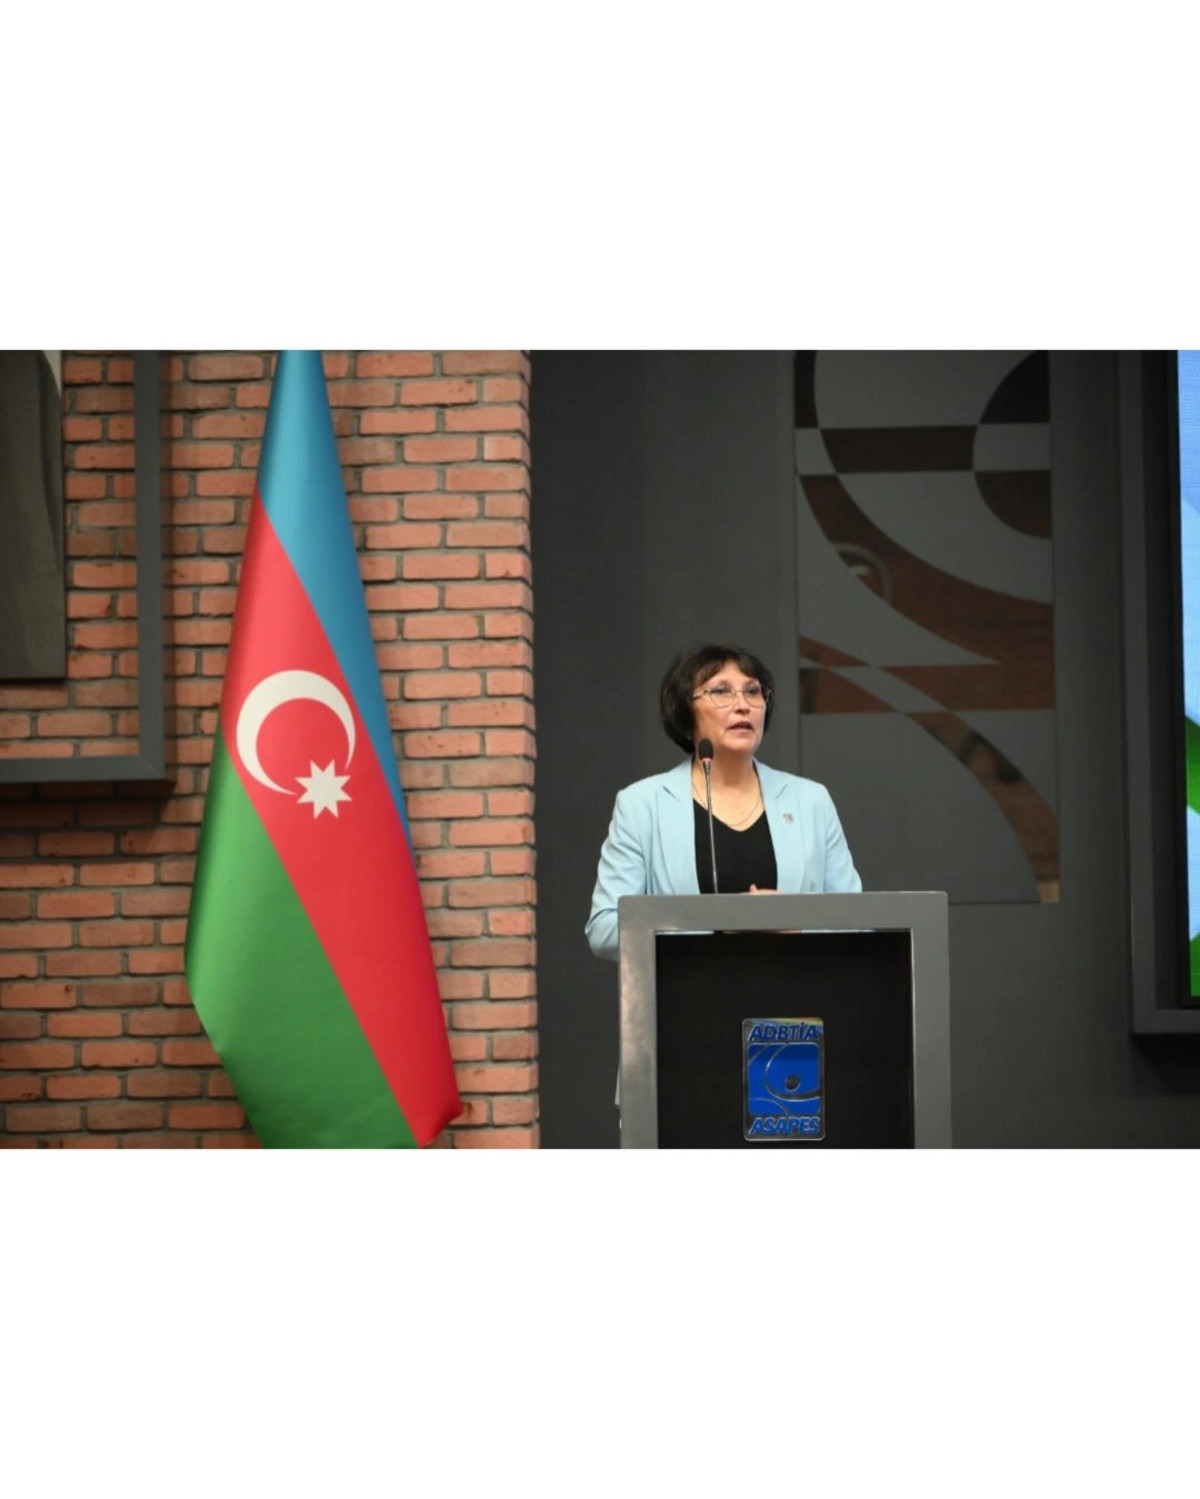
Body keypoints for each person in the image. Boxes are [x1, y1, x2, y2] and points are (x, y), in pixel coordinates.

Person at [585, 643, 861, 962]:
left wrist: (795, 926)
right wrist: (717, 924)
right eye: (720, 691)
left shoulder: (810, 800)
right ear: (686, 715)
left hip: (792, 990)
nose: (742, 705)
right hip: (689, 992)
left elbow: (858, 921)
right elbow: (605, 930)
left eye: (753, 691)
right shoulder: (642, 805)